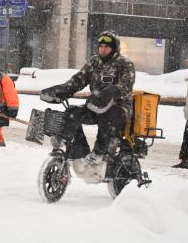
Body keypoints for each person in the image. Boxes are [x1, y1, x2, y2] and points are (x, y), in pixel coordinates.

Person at [41, 30, 135, 164]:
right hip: (96, 105)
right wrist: (62, 90)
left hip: (119, 109)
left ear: (114, 48)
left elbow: (125, 86)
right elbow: (79, 79)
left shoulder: (125, 64)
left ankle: (99, 153)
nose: (103, 49)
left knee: (107, 116)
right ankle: (77, 150)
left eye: (107, 47)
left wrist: (111, 91)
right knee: (73, 112)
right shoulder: (94, 62)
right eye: (101, 46)